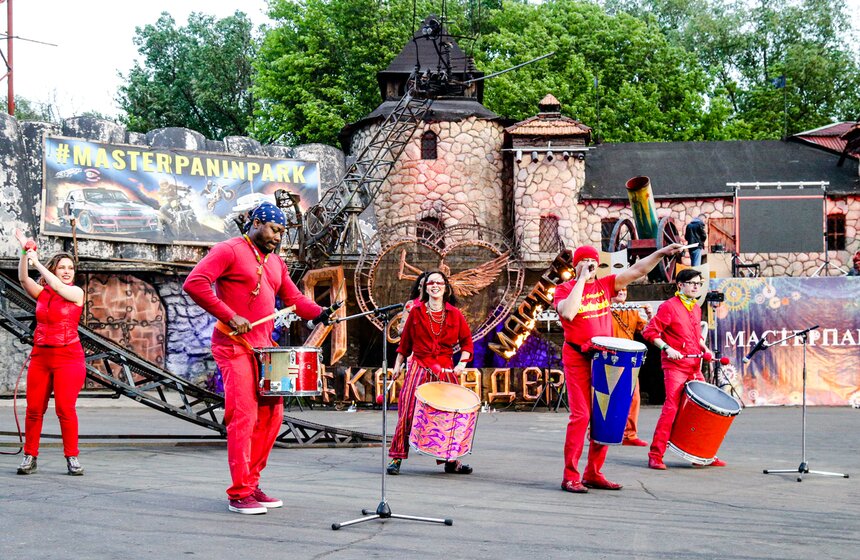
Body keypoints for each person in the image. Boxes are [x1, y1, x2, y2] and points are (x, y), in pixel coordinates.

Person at [183, 202, 327, 515]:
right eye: (275, 230)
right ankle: (239, 494)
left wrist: (321, 313)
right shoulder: (229, 249)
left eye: (282, 233)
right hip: (232, 344)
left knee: (272, 418)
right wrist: (230, 315)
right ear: (257, 222)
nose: (278, 237)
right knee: (244, 415)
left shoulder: (276, 263)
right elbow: (194, 283)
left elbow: (294, 299)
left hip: (265, 347)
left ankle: (251, 482)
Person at [554, 242, 684, 494]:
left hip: (603, 357)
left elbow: (636, 271)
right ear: (576, 265)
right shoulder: (564, 289)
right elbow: (568, 313)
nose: (592, 265)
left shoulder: (605, 284)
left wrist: (659, 253)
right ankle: (570, 476)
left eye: (594, 261)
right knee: (581, 416)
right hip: (577, 356)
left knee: (604, 414)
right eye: (586, 261)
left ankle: (593, 472)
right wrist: (581, 278)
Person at [386, 270, 474, 476]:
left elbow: (467, 343)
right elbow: (404, 344)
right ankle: (396, 457)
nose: (435, 286)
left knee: (449, 416)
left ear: (446, 288)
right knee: (407, 412)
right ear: (425, 288)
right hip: (419, 365)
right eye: (431, 283)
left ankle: (451, 461)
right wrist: (397, 365)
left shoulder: (455, 314)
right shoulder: (416, 312)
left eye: (439, 283)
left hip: (444, 368)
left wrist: (461, 364)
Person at [13, 230, 86, 476]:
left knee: (65, 409)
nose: (67, 271)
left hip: (69, 358)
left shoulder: (76, 293)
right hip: (41, 357)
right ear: (55, 269)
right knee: (34, 409)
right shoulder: (43, 294)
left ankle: (72, 457)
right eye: (62, 267)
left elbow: (55, 284)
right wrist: (25, 253)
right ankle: (30, 456)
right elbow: (23, 279)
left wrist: (38, 263)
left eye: (70, 268)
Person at [642, 268, 724, 470]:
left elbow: (695, 336)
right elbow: (650, 332)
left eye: (699, 283)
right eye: (692, 283)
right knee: (671, 409)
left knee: (704, 410)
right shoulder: (669, 307)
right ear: (680, 285)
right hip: (675, 367)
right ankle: (656, 454)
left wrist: (703, 347)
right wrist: (667, 348)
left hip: (694, 365)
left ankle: (702, 454)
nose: (696, 286)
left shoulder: (696, 308)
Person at [609, 289, 653, 447]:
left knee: (633, 397)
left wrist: (649, 316)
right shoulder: (602, 310)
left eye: (625, 289)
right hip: (607, 356)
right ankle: (596, 430)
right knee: (605, 396)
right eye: (618, 289)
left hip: (628, 358)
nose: (622, 291)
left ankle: (630, 434)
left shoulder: (633, 310)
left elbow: (647, 332)